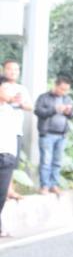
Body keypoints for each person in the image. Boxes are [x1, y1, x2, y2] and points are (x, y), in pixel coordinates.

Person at [34, 75, 73, 195]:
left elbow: (72, 115)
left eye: (66, 90)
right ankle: (44, 186)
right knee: (46, 161)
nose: (64, 92)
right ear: (56, 85)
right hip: (47, 134)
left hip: (62, 134)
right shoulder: (44, 97)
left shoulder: (67, 99)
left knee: (57, 161)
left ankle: (54, 185)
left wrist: (68, 112)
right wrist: (54, 109)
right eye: (62, 89)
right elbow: (38, 111)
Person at [3, 60, 31, 201]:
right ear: (4, 70)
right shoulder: (2, 87)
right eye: (10, 69)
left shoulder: (22, 89)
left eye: (16, 69)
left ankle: (9, 190)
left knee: (12, 163)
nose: (13, 72)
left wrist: (20, 104)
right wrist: (9, 99)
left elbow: (30, 106)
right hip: (2, 131)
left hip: (15, 131)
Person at [0, 75, 20, 237]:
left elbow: (15, 136)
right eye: (6, 88)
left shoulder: (10, 111)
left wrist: (14, 157)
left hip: (7, 157)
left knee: (2, 194)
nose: (9, 92)